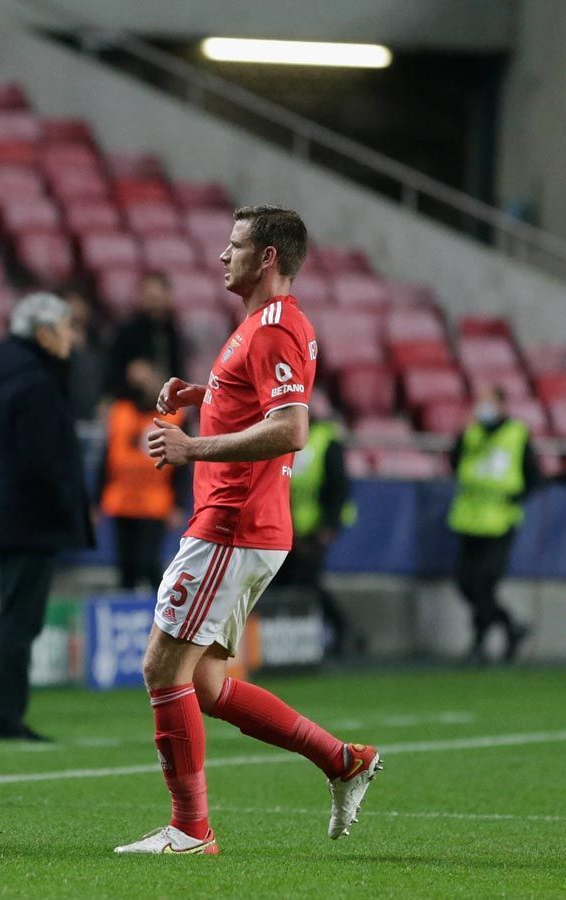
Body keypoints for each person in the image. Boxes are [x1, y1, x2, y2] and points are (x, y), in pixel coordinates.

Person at [124, 205, 379, 856]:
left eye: (234, 244)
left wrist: (192, 447)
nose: (221, 255)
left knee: (161, 667)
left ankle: (190, 831)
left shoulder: (272, 327)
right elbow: (258, 396)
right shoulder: (269, 326)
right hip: (246, 524)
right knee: (202, 684)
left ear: (268, 257)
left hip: (233, 521)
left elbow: (292, 427)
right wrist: (204, 394)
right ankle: (341, 759)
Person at [0, 293, 90, 742]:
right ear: (42, 334)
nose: (72, 338)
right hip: (32, 517)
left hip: (17, 514)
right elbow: (44, 459)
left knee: (16, 616)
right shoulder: (36, 383)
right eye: (65, 328)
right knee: (19, 619)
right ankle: (5, 717)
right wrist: (69, 504)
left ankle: (3, 714)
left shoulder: (17, 375)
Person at [448, 384, 539, 663]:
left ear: (502, 405)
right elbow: (454, 463)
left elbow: (533, 476)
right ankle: (511, 626)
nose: (482, 409)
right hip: (469, 520)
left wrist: (514, 499)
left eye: (489, 403)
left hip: (499, 523)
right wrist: (462, 434)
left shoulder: (517, 434)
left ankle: (479, 643)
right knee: (466, 584)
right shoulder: (472, 432)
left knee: (483, 583)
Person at [99, 358, 186, 592]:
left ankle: (160, 617)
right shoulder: (120, 412)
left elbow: (183, 464)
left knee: (149, 564)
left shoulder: (173, 416)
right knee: (125, 567)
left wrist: (179, 503)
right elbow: (105, 458)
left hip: (154, 502)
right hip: (122, 500)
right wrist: (96, 501)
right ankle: (129, 617)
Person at [281, 393, 355, 656]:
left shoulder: (326, 440)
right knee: (286, 582)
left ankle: (339, 629)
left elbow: (339, 486)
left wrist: (328, 525)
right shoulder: (285, 436)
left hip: (314, 527)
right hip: (286, 526)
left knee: (306, 582)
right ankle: (292, 643)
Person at [107, 272, 183, 399]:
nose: (154, 306)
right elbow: (112, 375)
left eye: (157, 299)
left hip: (167, 405)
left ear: (168, 298)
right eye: (150, 299)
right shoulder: (126, 333)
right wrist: (133, 374)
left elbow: (179, 372)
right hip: (131, 406)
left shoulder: (174, 334)